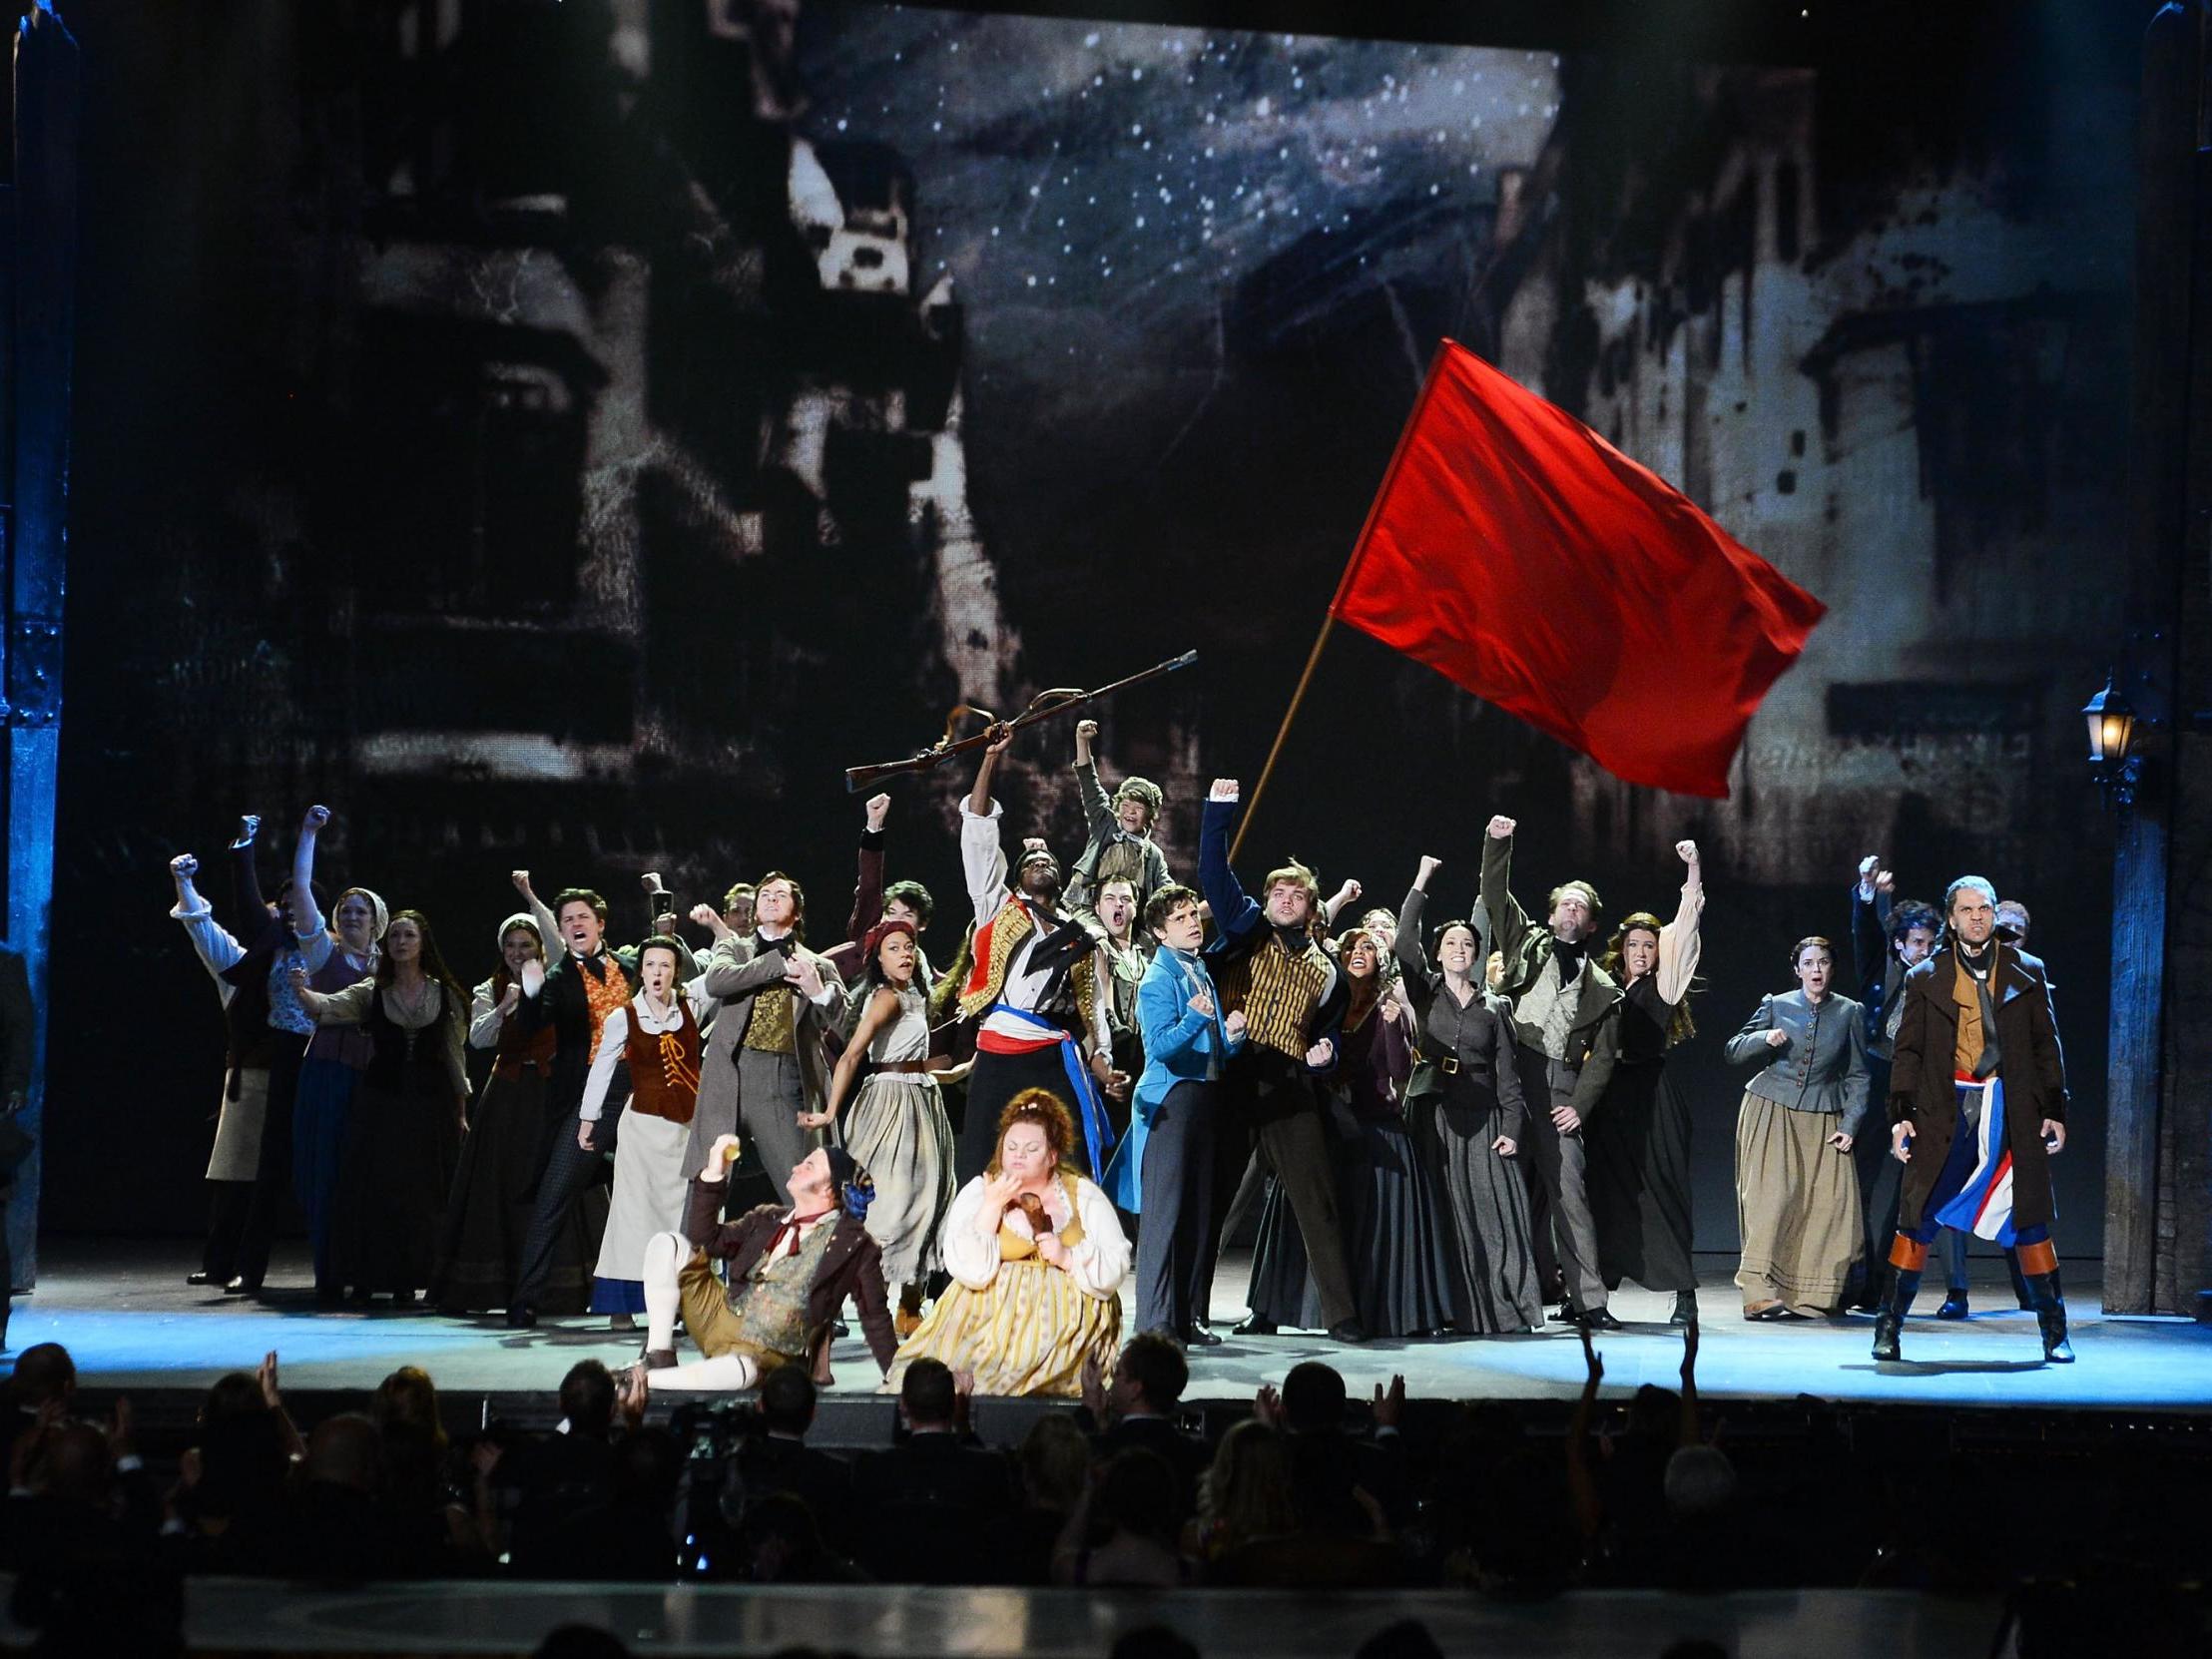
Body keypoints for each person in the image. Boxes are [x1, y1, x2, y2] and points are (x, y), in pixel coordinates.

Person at [1875, 875, 2072, 1363]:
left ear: (1993, 912)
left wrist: (2054, 1110)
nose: (1977, 917)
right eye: (1966, 910)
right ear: (1951, 918)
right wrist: (1901, 1115)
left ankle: (2055, 1331)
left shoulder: (2026, 971)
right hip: (1949, 1110)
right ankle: (1888, 1327)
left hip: (2012, 1113)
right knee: (1916, 1219)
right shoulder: (1926, 977)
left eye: (1984, 908)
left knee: (2031, 1223)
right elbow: (1909, 1053)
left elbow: (2048, 1048)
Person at [1196, 778, 1364, 1346]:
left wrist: (1327, 1053)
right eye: (1278, 894)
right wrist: (1219, 813)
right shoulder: (1247, 931)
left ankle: (1342, 1316)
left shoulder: (1330, 971)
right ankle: (1191, 1307)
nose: (1285, 901)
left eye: (1296, 896)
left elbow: (1332, 1034)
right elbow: (1214, 877)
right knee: (1219, 1194)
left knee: (1316, 1199)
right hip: (1239, 1069)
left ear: (1313, 910)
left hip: (1290, 1080)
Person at [952, 729, 1122, 1184]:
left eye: (1048, 862)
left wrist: (1103, 1061)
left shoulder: (1079, 935)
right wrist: (989, 760)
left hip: (1053, 1052)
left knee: (1068, 1157)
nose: (1040, 864)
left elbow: (1093, 1007)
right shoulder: (997, 908)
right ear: (1017, 877)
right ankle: (976, 1248)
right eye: (1030, 864)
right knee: (984, 1157)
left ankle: (1069, 1246)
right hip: (1001, 1045)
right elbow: (980, 836)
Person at [889, 1090, 1130, 1398]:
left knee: (1040, 1376)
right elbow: (969, 1270)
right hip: (990, 1319)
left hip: (1066, 1326)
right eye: (1012, 1146)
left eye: (1031, 1149)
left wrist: (1068, 1257)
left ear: (1053, 1156)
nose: (1018, 1155)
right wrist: (992, 1208)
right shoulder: (982, 1191)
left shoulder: (1081, 1193)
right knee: (964, 1376)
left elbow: (1116, 1263)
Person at [1479, 815, 1622, 1330]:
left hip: (1560, 1091)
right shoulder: (1525, 944)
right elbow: (1494, 893)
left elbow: (1603, 1057)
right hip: (1510, 1083)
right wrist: (1499, 842)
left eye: (1580, 907)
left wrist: (1578, 1106)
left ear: (1590, 925)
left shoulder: (1604, 988)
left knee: (1571, 1199)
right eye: (1565, 902)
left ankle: (1589, 1301)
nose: (1570, 910)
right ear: (1552, 912)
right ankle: (1498, 1299)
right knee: (1496, 1194)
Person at [293, 910, 469, 1305]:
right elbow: (327, 1007)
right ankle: (372, 1276)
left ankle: (415, 1278)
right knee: (378, 1188)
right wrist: (302, 991)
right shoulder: (374, 990)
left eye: (408, 936)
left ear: (423, 943)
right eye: (395, 937)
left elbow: (454, 1055)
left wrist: (460, 1110)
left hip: (428, 1104)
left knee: (422, 1192)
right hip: (382, 1102)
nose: (401, 942)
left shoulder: (443, 993)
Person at [1395, 865, 1540, 1336]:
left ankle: (1501, 1308)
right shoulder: (1424, 992)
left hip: (1483, 1119)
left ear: (1477, 955)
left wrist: (1512, 1129)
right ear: (1437, 953)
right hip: (1433, 1116)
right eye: (1451, 944)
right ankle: (1445, 1310)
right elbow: (1402, 942)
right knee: (1440, 1216)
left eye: (1468, 945)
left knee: (1492, 1216)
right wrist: (1421, 880)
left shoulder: (1494, 1008)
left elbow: (1509, 1077)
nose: (1460, 950)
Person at [434, 912, 598, 1316]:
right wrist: (507, 1003)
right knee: (498, 1185)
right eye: (511, 946)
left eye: (526, 945)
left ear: (540, 947)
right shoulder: (489, 990)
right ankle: (495, 1284)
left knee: (555, 1178)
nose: (518, 952)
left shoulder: (560, 983)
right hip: (507, 1098)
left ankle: (560, 1287)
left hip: (551, 1093)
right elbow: (479, 1039)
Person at [635, 1142, 897, 1391]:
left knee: (743, 1372)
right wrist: (714, 1174)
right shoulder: (767, 1218)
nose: (796, 1168)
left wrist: (896, 1374)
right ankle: (659, 1355)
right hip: (718, 1315)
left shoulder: (853, 1245)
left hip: (768, 1351)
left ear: (830, 1189)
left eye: (810, 1165)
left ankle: (648, 1380)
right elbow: (706, 1241)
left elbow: (874, 1315)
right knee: (668, 1244)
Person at [1105, 883, 1244, 1346]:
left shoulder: (1199, 969)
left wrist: (1233, 1034)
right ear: (1161, 933)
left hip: (1205, 1098)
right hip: (1170, 1101)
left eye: (1192, 915)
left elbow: (1216, 1048)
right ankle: (1157, 1322)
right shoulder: (1157, 979)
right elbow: (1160, 1046)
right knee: (1166, 1216)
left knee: (1199, 1215)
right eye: (1180, 919)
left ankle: (1187, 1317)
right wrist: (1196, 1019)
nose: (1192, 923)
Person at [803, 917, 956, 1337]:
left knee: (930, 1199)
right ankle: (867, 1298)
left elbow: (912, 1061)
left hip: (921, 1100)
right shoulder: (885, 998)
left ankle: (910, 1302)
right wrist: (831, 1111)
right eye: (894, 948)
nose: (905, 953)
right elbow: (853, 1055)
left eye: (909, 946)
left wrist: (953, 1073)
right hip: (891, 1107)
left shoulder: (914, 997)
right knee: (891, 1203)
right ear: (878, 959)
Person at [504, 887, 647, 1329]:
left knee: (654, 1193)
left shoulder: (630, 967)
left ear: (600, 924)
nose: (575, 925)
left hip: (644, 1092)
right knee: (555, 1193)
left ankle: (667, 1299)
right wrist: (529, 993)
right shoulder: (558, 978)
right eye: (567, 920)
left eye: (582, 917)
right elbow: (532, 1026)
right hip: (592, 1095)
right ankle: (525, 1299)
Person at [1586, 840, 1706, 1325]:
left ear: (1661, 953)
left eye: (1649, 945)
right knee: (1609, 1194)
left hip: (1653, 1100)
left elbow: (1687, 922)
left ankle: (1685, 1296)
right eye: (1633, 944)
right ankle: (1597, 1295)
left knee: (1662, 1191)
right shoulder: (1607, 989)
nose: (1641, 952)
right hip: (1612, 1101)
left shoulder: (1665, 984)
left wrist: (1693, 868)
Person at [1723, 936, 1870, 1319]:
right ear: (1797, 969)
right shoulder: (1777, 1004)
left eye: (1823, 962)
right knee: (1768, 1200)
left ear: (1831, 968)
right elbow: (1734, 1048)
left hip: (1824, 1116)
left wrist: (1851, 1122)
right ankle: (1756, 1291)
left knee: (1828, 1204)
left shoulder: (1850, 1012)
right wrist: (1763, 1039)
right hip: (1771, 1109)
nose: (1816, 970)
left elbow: (1858, 1075)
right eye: (1808, 963)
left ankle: (1810, 1295)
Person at [683, 872, 845, 1206]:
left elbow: (852, 1028)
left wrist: (818, 991)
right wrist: (776, 963)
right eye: (765, 894)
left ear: (797, 912)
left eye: (781, 894)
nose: (771, 898)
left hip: (781, 1080)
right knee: (706, 1191)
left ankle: (812, 1256)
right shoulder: (734, 948)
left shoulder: (818, 965)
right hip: (728, 1076)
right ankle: (693, 1258)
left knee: (802, 1187)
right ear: (756, 910)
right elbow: (717, 982)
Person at [581, 936, 716, 1324]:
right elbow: (602, 1067)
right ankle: (621, 1304)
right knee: (634, 1215)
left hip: (685, 1132)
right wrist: (589, 1118)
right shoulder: (624, 1016)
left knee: (681, 1219)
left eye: (666, 966)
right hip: (642, 1130)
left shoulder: (692, 1005)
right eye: (651, 965)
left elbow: (727, 969)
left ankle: (679, 1303)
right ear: (641, 970)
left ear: (676, 971)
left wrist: (714, 926)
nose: (658, 973)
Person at [285, 806, 387, 1304]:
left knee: (367, 1178)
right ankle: (329, 1275)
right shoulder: (322, 956)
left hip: (373, 1082)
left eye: (359, 911)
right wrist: (309, 833)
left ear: (376, 922)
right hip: (328, 1075)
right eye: (345, 910)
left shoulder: (389, 963)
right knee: (326, 1173)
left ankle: (368, 1272)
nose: (350, 916)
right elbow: (302, 890)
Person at [1846, 858, 1942, 1313]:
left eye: (1929, 942)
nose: (1923, 950)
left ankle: (1887, 1281)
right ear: (1900, 941)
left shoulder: (1941, 975)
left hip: (1918, 1086)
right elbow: (1864, 930)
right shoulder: (1878, 966)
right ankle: (1858, 1276)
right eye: (1916, 942)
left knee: (1909, 1188)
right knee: (1858, 1181)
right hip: (1876, 1074)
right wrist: (1867, 892)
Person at [1067, 717, 1172, 916]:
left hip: (1130, 924)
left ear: (1150, 814)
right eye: (1125, 805)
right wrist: (1082, 740)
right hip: (1088, 913)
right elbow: (1089, 783)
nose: (1130, 812)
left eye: (1138, 808)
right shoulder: (1105, 825)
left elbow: (1167, 893)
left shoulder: (1153, 856)